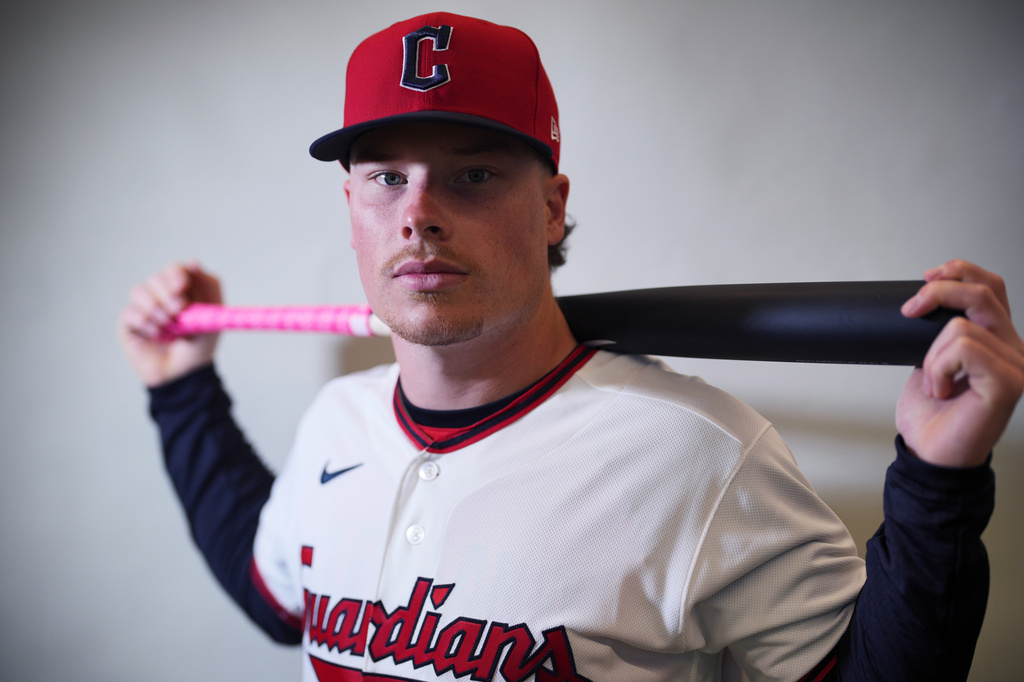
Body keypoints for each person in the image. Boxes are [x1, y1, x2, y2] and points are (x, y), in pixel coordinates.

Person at [118, 12, 1024, 682]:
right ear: (350, 208)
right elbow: (271, 592)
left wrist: (938, 481)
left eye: (472, 174)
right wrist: (179, 390)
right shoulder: (336, 421)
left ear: (550, 205)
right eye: (385, 177)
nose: (419, 213)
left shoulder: (698, 451)